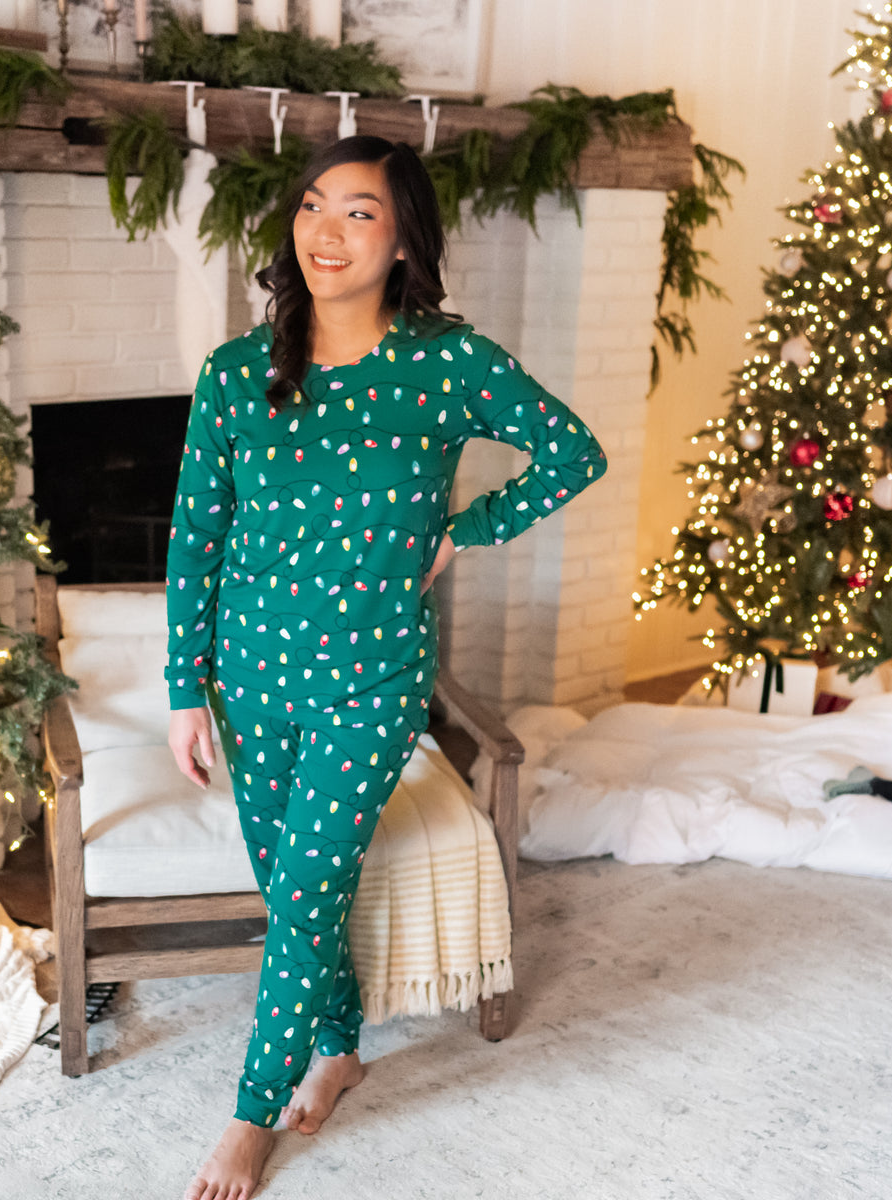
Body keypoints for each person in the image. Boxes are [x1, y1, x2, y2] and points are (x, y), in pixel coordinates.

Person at [166, 134, 607, 1200]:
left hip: (370, 680)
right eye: (314, 206)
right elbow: (196, 533)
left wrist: (472, 525)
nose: (327, 229)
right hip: (250, 673)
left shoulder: (449, 364)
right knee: (292, 893)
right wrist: (186, 689)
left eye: (358, 211)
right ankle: (342, 1044)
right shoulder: (236, 373)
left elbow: (573, 453)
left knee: (310, 888)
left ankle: (248, 1113)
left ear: (403, 236)